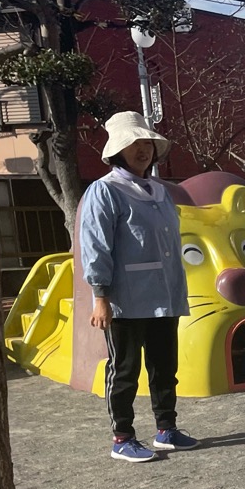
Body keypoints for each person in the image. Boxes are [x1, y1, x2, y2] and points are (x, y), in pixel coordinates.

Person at [79, 111, 197, 462]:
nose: (142, 149)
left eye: (147, 142)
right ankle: (122, 437)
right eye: (133, 143)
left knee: (164, 367)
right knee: (125, 370)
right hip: (126, 299)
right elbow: (96, 246)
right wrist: (100, 296)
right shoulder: (105, 190)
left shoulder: (160, 191)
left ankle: (166, 429)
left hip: (165, 295)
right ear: (118, 150)